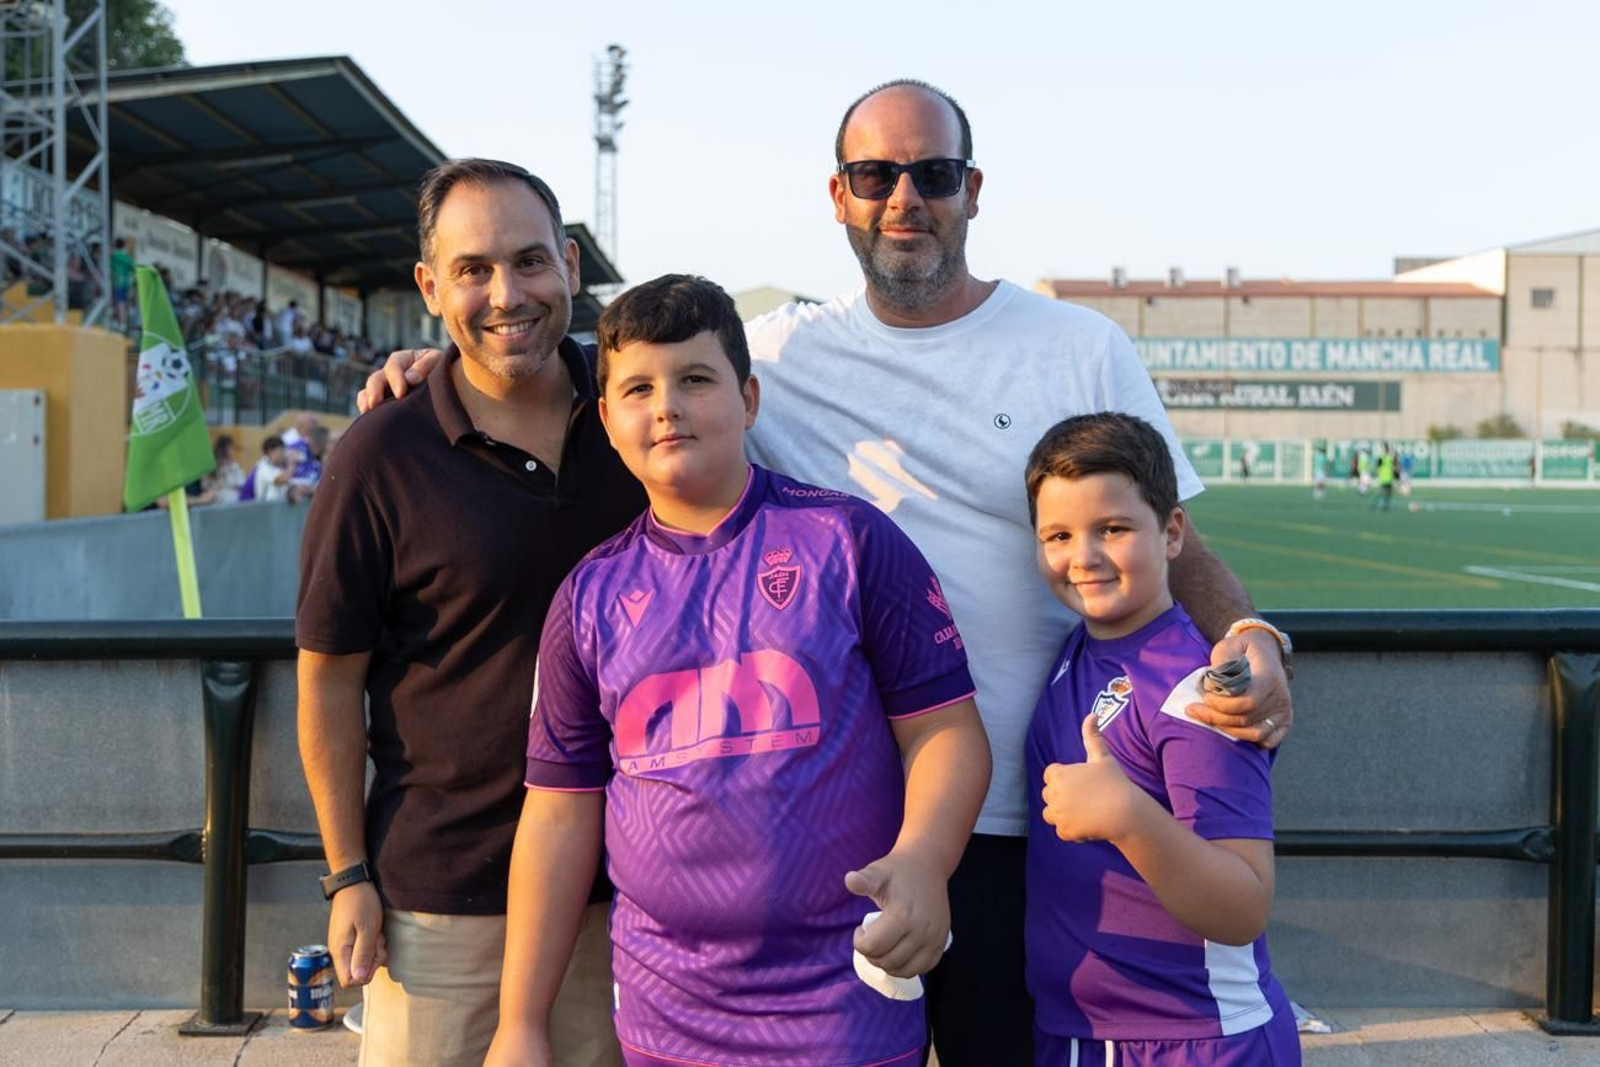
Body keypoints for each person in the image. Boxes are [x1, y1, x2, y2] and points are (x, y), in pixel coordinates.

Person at [363, 80, 1293, 1066]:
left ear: (971, 189)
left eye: (930, 173)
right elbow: (643, 361)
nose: (903, 197)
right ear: (838, 195)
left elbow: (1169, 532)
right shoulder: (787, 349)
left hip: (1047, 819)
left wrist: (1247, 636)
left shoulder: (1076, 344)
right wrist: (455, 365)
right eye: (874, 174)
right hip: (855, 841)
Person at [486, 274, 989, 1067]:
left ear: (748, 397)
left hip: (844, 994)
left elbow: (946, 731)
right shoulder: (587, 597)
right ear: (608, 421)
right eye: (639, 388)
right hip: (665, 1010)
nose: (667, 406)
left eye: (695, 378)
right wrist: (520, 1022)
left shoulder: (850, 540)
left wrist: (927, 858)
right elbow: (557, 815)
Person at [296, 159, 644, 1067]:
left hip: (627, 891)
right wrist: (346, 875)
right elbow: (328, 680)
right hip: (442, 904)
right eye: (473, 269)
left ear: (570, 266)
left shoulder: (642, 419)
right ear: (430, 286)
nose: (507, 294)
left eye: (530, 261)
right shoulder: (378, 454)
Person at [1024, 412, 1298, 1066]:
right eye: (1058, 535)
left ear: (1172, 531)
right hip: (1084, 1032)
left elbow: (1243, 903)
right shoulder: (1081, 648)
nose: (1083, 556)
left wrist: (1126, 816)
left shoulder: (1195, 690)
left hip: (1193, 1042)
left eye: (1112, 529)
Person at [203, 434, 246, 505]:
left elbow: (242, 484)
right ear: (226, 448)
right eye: (232, 448)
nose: (233, 451)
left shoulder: (234, 466)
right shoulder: (211, 466)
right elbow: (205, 486)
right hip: (217, 502)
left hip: (233, 501)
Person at [250, 434, 292, 503]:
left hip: (277, 509)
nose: (283, 454)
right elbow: (282, 480)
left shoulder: (279, 468)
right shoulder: (263, 467)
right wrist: (291, 464)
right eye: (281, 451)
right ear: (270, 451)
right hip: (265, 509)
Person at [110, 238, 135, 329]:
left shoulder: (113, 256)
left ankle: (121, 323)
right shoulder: (128, 258)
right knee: (124, 303)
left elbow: (110, 268)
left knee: (119, 303)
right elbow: (133, 269)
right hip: (127, 283)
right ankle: (123, 322)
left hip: (118, 281)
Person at [1370, 445, 1396, 512]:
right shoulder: (1381, 458)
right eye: (1385, 449)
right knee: (1383, 492)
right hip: (1383, 478)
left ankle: (1385, 505)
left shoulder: (1390, 458)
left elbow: (1392, 467)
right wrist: (1377, 473)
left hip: (1389, 477)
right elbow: (1377, 466)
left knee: (1389, 492)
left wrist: (1394, 473)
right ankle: (1377, 504)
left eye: (1387, 449)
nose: (1386, 451)